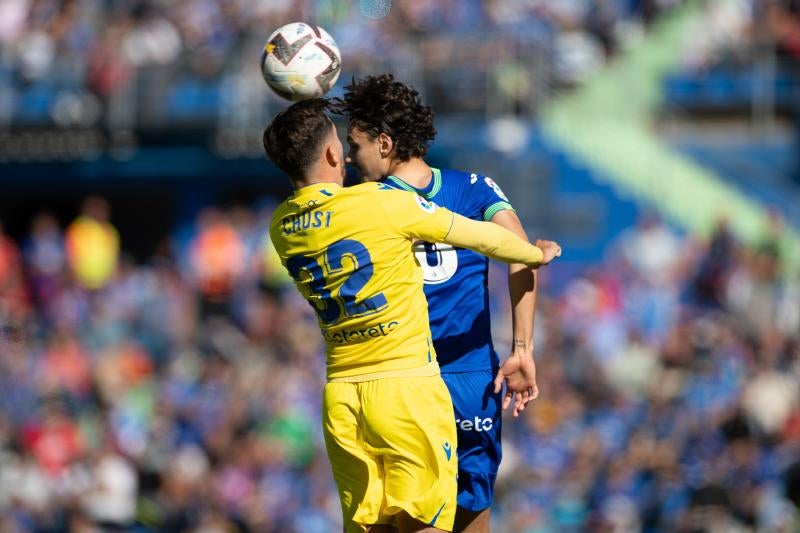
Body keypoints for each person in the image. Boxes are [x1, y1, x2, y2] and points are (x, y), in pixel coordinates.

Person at [263, 98, 561, 533]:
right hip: (410, 387)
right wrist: (536, 252)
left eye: (353, 143)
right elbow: (489, 239)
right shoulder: (382, 204)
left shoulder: (281, 226)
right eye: (341, 144)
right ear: (330, 154)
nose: (347, 154)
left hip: (343, 397)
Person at [334, 73, 542, 532]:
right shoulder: (474, 187)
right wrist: (522, 348)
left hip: (403, 382)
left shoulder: (366, 205)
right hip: (473, 381)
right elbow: (521, 254)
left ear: (385, 144)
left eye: (356, 144)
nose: (350, 157)